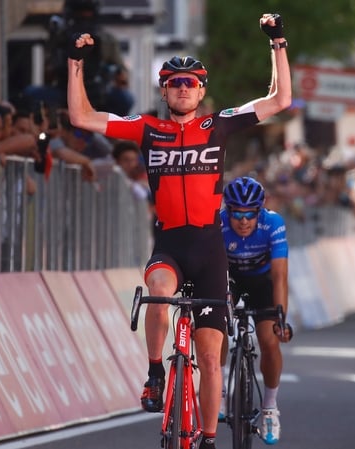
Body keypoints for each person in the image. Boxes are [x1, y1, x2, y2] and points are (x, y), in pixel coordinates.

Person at [66, 13, 291, 449]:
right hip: (170, 244)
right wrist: (76, 61)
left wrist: (277, 41)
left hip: (210, 249)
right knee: (159, 293)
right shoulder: (149, 129)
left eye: (191, 83)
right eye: (175, 83)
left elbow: (279, 100)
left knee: (209, 357)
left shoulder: (218, 125)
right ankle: (155, 374)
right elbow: (82, 117)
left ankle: (208, 439)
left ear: (202, 91)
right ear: (164, 91)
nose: (183, 88)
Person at [219, 176, 291, 445]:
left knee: (270, 341)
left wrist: (280, 318)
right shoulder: (218, 223)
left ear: (260, 210)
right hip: (230, 279)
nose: (244, 221)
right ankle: (220, 391)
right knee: (215, 328)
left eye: (250, 214)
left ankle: (270, 407)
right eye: (237, 213)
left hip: (263, 282)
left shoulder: (273, 223)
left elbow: (280, 276)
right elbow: (211, 271)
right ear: (228, 210)